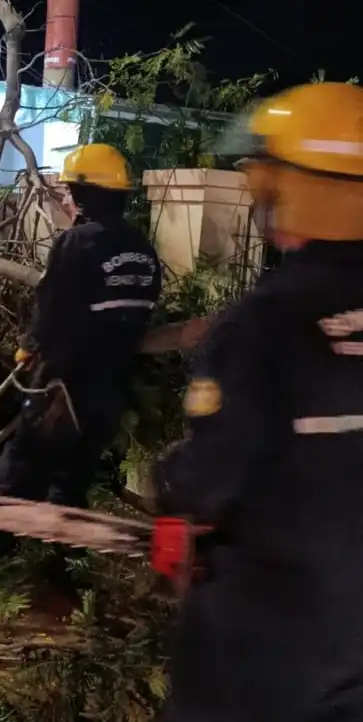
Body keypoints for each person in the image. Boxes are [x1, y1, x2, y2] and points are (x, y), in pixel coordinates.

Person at [156, 82, 363, 722]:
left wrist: (173, 500)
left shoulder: (263, 324)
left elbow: (213, 474)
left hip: (265, 648)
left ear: (294, 188)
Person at [0, 143, 162, 510]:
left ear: (85, 195)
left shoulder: (78, 242)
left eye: (69, 191)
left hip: (62, 386)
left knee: (19, 473)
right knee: (71, 485)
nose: (66, 200)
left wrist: (29, 345)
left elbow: (53, 305)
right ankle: (57, 556)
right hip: (111, 390)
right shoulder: (144, 251)